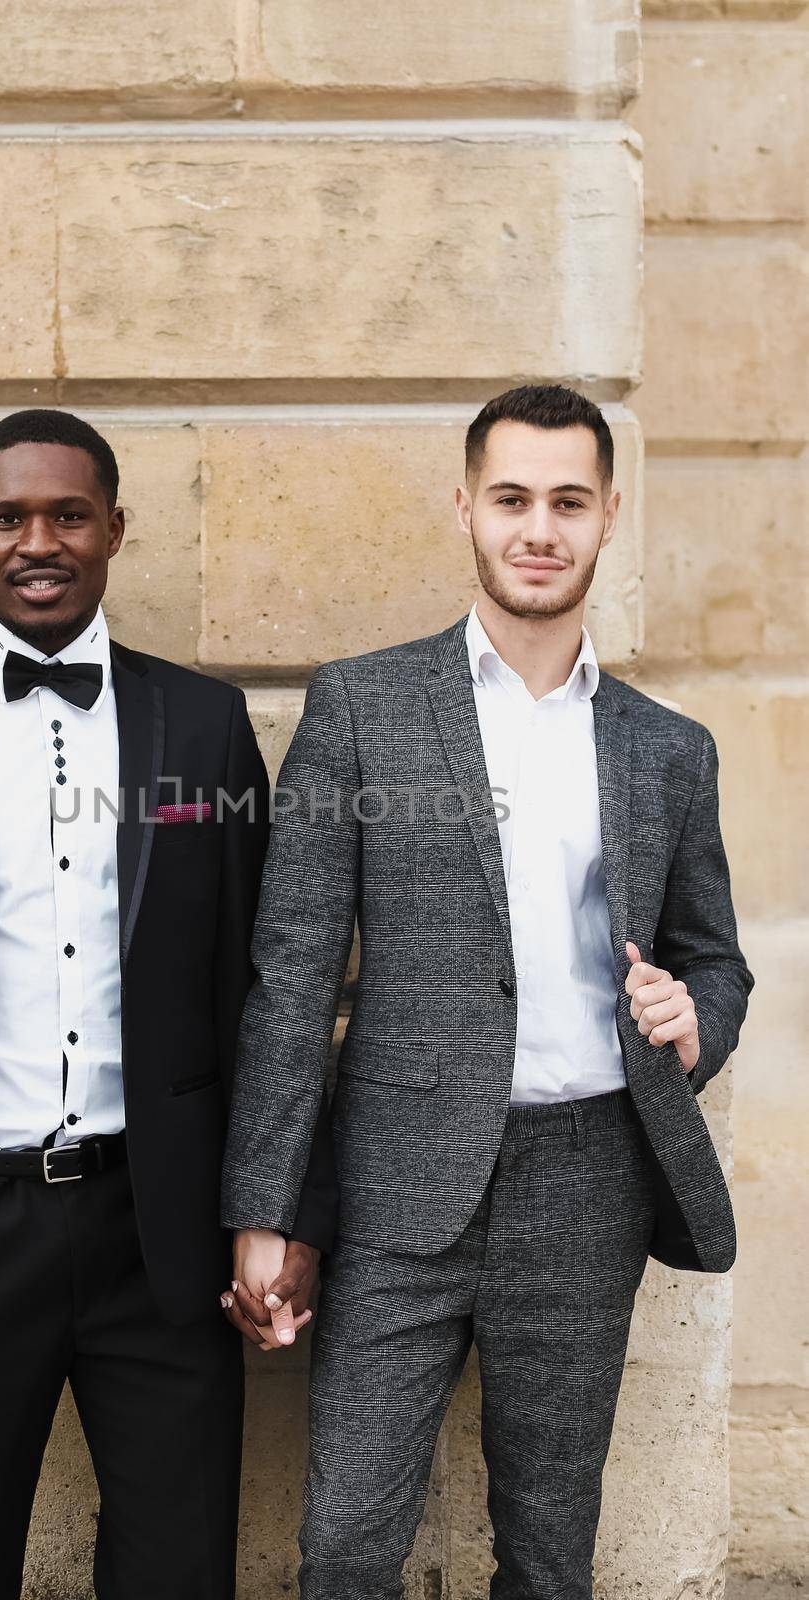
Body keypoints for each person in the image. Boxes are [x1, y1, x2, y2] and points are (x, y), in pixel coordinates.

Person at [0, 407, 335, 1600]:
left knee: (181, 1568)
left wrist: (284, 1209)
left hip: (164, 1227)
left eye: (69, 513)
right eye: (9, 516)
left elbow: (263, 989)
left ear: (115, 530)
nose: (41, 539)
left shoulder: (202, 722)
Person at [219, 384, 754, 1599]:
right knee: (345, 1545)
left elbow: (712, 957)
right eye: (511, 497)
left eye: (567, 501)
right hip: (395, 1180)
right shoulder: (360, 705)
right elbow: (291, 974)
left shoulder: (667, 748)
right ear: (465, 506)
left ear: (607, 516)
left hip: (589, 1180)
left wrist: (693, 1020)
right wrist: (265, 1208)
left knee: (549, 1554)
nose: (537, 528)